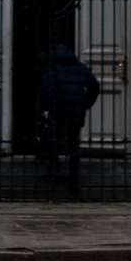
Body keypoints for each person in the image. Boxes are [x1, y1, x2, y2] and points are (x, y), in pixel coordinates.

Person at [31, 37, 100, 195]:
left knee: (53, 140)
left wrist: (44, 110)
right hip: (75, 109)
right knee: (73, 144)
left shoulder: (51, 67)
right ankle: (74, 181)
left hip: (58, 109)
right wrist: (85, 104)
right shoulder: (80, 67)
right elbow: (94, 86)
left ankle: (55, 173)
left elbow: (45, 90)